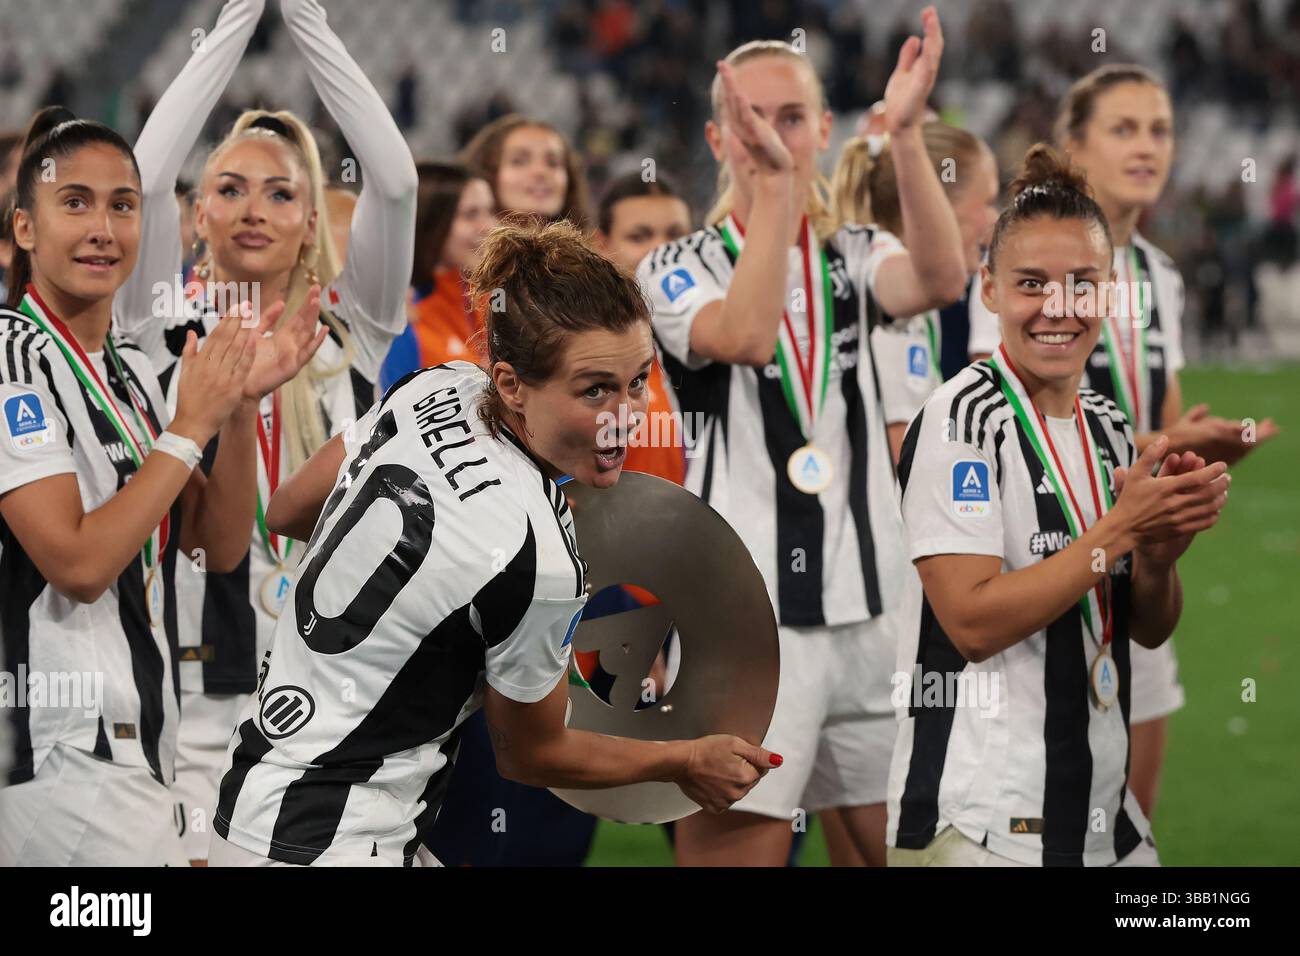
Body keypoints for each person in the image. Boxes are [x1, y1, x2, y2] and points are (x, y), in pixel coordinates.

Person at [208, 219, 781, 867]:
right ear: (510, 385)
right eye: (594, 389)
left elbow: (289, 509)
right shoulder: (536, 551)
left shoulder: (434, 387)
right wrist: (684, 757)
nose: (625, 413)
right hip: (335, 838)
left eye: (637, 380)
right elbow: (531, 754)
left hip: (254, 795)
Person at [640, 7, 967, 866]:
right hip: (743, 627)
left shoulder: (858, 253)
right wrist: (781, 190)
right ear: (716, 137)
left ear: (825, 128)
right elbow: (744, 338)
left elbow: (940, 277)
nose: (768, 136)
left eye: (789, 118)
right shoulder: (675, 266)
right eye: (747, 119)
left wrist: (902, 136)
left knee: (892, 852)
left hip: (871, 609)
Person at [112, 0, 418, 863]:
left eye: (282, 192)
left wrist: (307, 16)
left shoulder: (357, 324)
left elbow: (393, 182)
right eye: (229, 188)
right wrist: (242, 10)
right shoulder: (153, 326)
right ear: (194, 216)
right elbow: (144, 168)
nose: (254, 208)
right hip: (196, 678)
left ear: (312, 221)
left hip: (339, 680)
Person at [887, 144, 1229, 867]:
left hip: (1100, 815)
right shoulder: (961, 421)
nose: (1058, 308)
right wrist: (1120, 529)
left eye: (1083, 284)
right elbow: (972, 623)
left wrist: (1160, 561)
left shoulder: (1108, 426)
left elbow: (1148, 631)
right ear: (988, 289)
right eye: (1031, 283)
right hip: (983, 820)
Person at [0, 107, 324, 866]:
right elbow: (77, 567)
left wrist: (236, 410)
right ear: (23, 229)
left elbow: (212, 547)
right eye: (73, 202)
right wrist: (187, 431)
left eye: (123, 206)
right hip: (58, 751)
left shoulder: (135, 375)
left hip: (139, 747)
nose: (103, 228)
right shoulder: (11, 359)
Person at [972, 64, 1279, 819]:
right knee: (1029, 831)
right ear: (1074, 144)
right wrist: (1164, 443)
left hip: (1135, 571)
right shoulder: (1028, 261)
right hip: (1038, 574)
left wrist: (1192, 452)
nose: (1148, 146)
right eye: (1124, 129)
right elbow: (996, 418)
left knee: (1124, 844)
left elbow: (1159, 419)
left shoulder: (1161, 277)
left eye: (1161, 129)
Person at [833, 120, 1000, 464]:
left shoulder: (916, 307)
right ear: (936, 206)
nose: (993, 220)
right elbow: (905, 461)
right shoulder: (891, 313)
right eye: (986, 202)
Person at [378, 160, 496, 392]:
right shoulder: (401, 317)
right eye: (471, 214)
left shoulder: (489, 300)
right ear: (429, 221)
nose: (490, 226)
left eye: (490, 211)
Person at [460, 113, 592, 230]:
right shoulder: (460, 255)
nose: (540, 172)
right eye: (519, 161)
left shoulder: (593, 255)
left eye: (553, 163)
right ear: (487, 172)